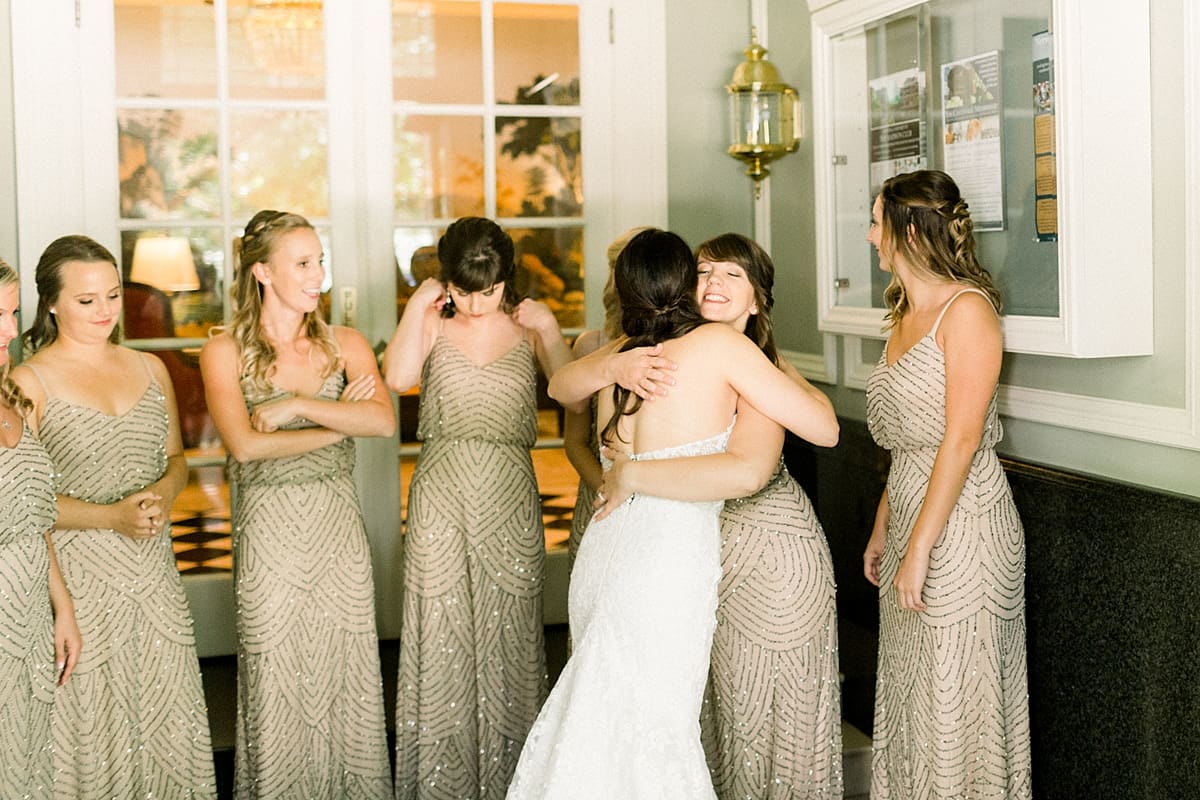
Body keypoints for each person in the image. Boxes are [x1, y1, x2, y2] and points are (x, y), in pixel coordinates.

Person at [506, 228, 839, 799]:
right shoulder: (721, 347)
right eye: (705, 272)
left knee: (599, 710)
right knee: (653, 725)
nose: (713, 284)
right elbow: (825, 430)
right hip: (665, 556)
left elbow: (562, 386)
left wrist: (615, 371)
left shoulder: (627, 347)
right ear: (686, 283)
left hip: (609, 544)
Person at [200, 210, 395, 799]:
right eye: (304, 264)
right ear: (262, 271)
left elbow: (383, 421)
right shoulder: (222, 352)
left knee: (345, 672)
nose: (319, 277)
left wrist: (296, 408)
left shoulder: (347, 343)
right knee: (277, 675)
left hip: (338, 530)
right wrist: (339, 422)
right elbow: (246, 446)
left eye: (320, 262)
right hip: (269, 533)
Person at [13, 235, 215, 798]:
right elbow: (23, 503)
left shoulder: (151, 368)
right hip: (76, 581)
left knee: (163, 711)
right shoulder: (29, 382)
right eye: (86, 301)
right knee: (89, 722)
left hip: (152, 575)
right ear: (50, 303)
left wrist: (164, 493)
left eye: (112, 295)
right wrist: (110, 517)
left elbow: (177, 459)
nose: (105, 311)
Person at [382, 216, 573, 800]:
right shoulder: (435, 327)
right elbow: (398, 377)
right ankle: (442, 781)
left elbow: (572, 391)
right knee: (440, 629)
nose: (474, 302)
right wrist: (418, 307)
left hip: (509, 491)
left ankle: (516, 779)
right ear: (447, 281)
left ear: (506, 279)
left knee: (510, 630)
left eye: (486, 290)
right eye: (461, 290)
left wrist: (550, 332)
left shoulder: (527, 325)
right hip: (441, 493)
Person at [862, 170, 1031, 798]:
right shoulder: (903, 313)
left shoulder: (968, 311)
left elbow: (959, 439)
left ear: (906, 229)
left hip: (965, 528)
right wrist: (886, 530)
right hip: (910, 513)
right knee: (913, 692)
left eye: (875, 219)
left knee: (954, 693)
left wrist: (923, 547)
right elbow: (909, 440)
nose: (870, 233)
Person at [0, 259, 81, 799]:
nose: (10, 332)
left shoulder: (11, 395)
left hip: (30, 613)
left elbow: (35, 514)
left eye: (10, 314)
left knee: (27, 758)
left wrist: (63, 606)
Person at [561, 227, 647, 580]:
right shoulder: (590, 345)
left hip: (661, 497)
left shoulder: (684, 346)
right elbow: (574, 441)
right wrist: (607, 488)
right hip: (599, 495)